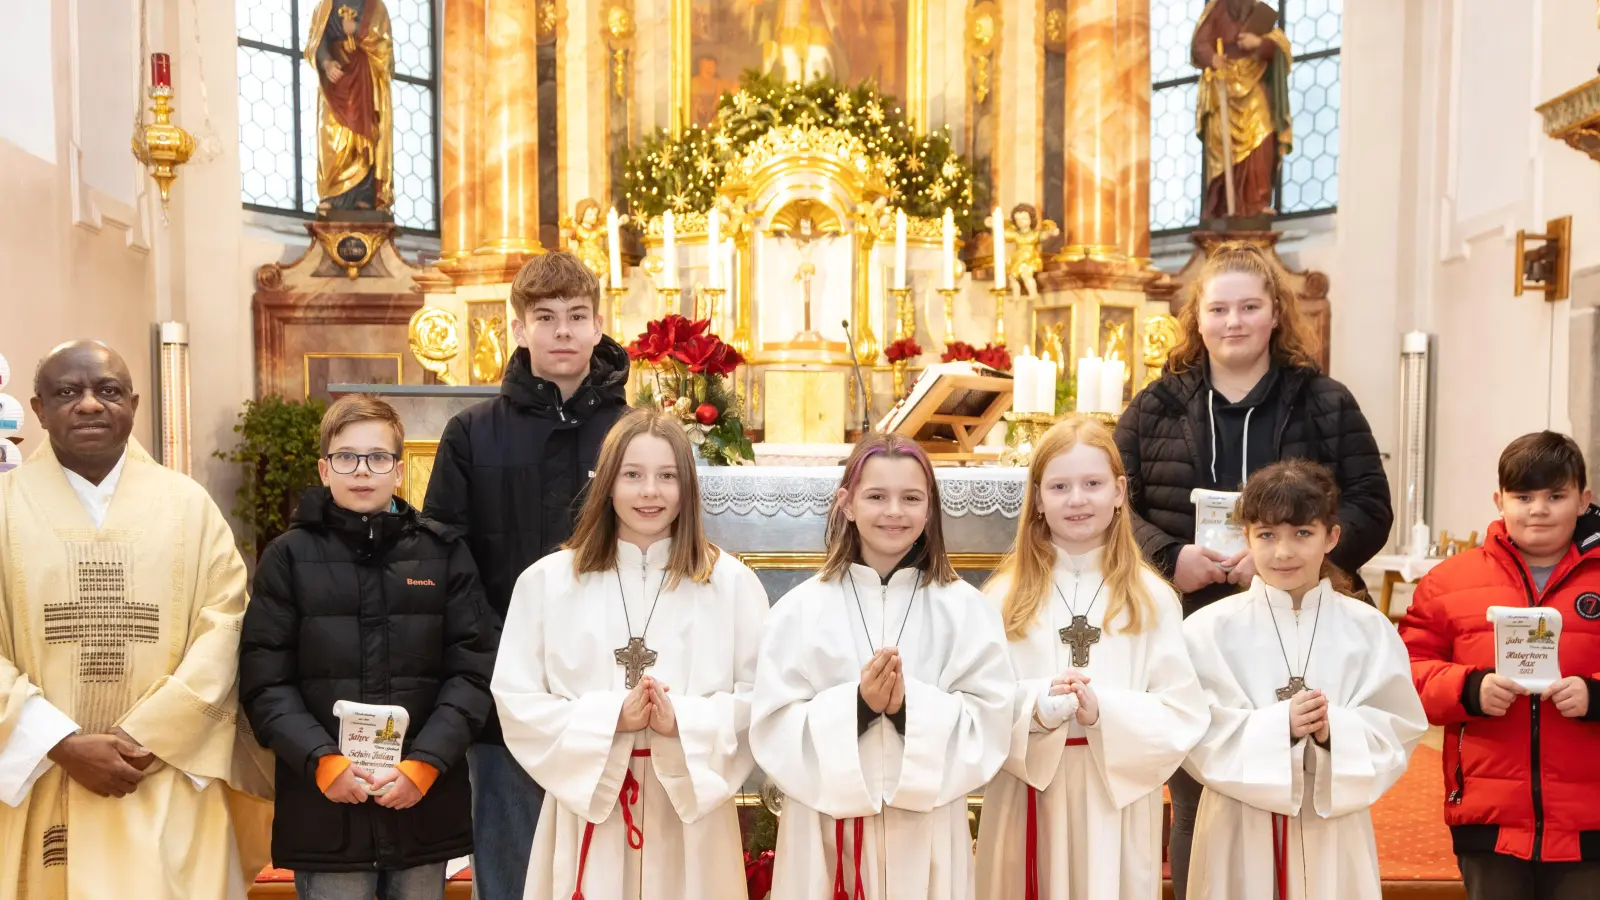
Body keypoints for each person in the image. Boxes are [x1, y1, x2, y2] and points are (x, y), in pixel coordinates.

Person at [1114, 240, 1392, 897]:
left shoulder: (1324, 402)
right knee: (1198, 793)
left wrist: (1286, 557)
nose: (1232, 321)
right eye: (1218, 309)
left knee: (1316, 786)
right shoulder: (1157, 406)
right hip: (1193, 625)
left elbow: (1370, 507)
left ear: (1276, 314)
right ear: (1197, 320)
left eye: (1248, 306)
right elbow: (1113, 501)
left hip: (1301, 623)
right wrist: (1167, 556)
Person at [0, 341, 273, 900]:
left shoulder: (189, 507)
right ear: (37, 408)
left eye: (108, 391)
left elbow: (225, 627)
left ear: (135, 402)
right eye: (67, 393)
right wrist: (57, 740)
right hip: (43, 774)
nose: (90, 405)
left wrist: (147, 735)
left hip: (164, 770)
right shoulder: (3, 508)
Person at [491, 408, 769, 899]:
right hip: (589, 802)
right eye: (633, 475)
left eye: (667, 477)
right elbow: (516, 698)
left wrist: (679, 719)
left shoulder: (731, 585)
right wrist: (608, 718)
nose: (650, 492)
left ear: (687, 486)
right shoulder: (548, 583)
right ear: (607, 483)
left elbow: (760, 700)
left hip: (689, 806)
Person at [423, 250, 631, 900]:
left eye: (576, 316)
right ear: (518, 329)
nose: (562, 331)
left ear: (599, 325)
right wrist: (503, 660)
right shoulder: (471, 433)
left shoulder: (634, 435)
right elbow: (446, 562)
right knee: (512, 869)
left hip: (614, 687)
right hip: (506, 691)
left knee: (612, 870)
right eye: (545, 317)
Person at [240, 394, 499, 900]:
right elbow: (265, 680)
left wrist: (426, 763)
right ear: (324, 467)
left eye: (378, 458)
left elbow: (473, 672)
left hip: (421, 798)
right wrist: (322, 761)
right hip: (326, 803)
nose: (362, 471)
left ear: (399, 472)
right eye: (346, 457)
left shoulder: (444, 554)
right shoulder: (287, 558)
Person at [750, 433, 1014, 900]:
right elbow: (772, 726)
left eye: (911, 498)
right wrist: (858, 707)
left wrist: (910, 707)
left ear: (929, 509)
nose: (894, 511)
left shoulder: (967, 611)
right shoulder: (799, 610)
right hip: (826, 831)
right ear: (846, 504)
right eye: (876, 496)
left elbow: (990, 721)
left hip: (928, 827)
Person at [975, 417, 1208, 900]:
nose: (1077, 499)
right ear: (1037, 499)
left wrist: (1105, 712)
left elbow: (1183, 714)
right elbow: (976, 704)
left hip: (1114, 800)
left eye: (1093, 484)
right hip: (1028, 796)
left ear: (1120, 492)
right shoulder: (1002, 598)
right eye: (1059, 486)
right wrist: (1034, 707)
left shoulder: (1152, 599)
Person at [1182, 460, 1426, 900]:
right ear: (1246, 538)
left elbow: (1398, 727)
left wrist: (1337, 731)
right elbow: (1191, 729)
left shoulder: (1369, 630)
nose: (1283, 553)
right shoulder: (1207, 631)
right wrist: (1279, 728)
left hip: (1331, 822)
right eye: (1267, 535)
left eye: (1302, 534)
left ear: (1331, 537)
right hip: (1240, 824)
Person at [1400, 432, 1600, 900]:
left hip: (1590, 818)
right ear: (1499, 500)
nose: (1538, 509)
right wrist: (1468, 689)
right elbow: (1404, 671)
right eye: (1523, 496)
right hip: (1488, 815)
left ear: (1583, 499)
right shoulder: (1448, 582)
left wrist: (1595, 695)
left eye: (1556, 495)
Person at [1191, 0, 1292, 220]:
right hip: (1224, 84)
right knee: (1222, 145)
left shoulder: (1259, 12)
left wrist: (1258, 43)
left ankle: (1256, 203)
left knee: (1263, 133)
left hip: (1254, 83)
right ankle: (1223, 206)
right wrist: (1213, 58)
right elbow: (1199, 44)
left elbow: (1279, 46)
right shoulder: (1217, 9)